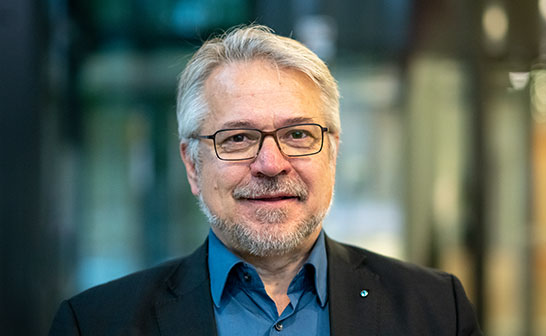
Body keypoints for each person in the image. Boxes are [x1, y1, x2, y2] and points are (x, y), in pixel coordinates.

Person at [49, 25, 482, 335]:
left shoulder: (437, 310)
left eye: (298, 134)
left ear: (333, 151)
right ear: (192, 165)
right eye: (238, 138)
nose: (271, 164)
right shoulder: (94, 323)